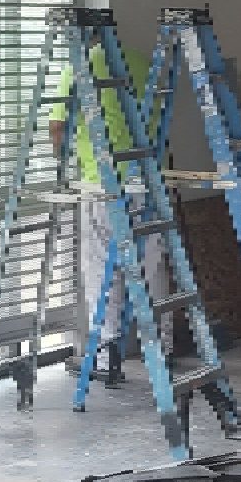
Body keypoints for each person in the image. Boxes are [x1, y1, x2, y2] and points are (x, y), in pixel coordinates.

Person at [49, 40, 170, 385]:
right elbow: (159, 116)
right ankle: (161, 349)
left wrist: (63, 161)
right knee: (151, 264)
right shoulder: (142, 60)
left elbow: (58, 128)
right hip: (144, 180)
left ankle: (106, 354)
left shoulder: (77, 68)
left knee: (102, 268)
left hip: (101, 184)